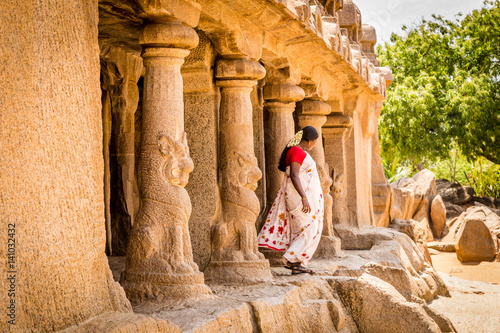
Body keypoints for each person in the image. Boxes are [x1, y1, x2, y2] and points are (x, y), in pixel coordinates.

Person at [258, 126, 324, 275]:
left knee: (303, 228)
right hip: (299, 197)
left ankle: (297, 263)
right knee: (310, 228)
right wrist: (304, 197)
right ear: (309, 140)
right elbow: (294, 175)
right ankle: (292, 258)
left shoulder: (297, 151)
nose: (314, 145)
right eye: (314, 142)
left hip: (299, 196)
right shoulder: (296, 151)